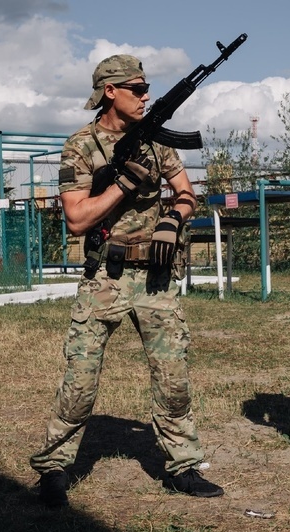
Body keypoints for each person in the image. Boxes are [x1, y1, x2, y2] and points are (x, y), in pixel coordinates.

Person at [29, 54, 223, 506]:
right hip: (106, 278)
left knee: (172, 377)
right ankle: (54, 468)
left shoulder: (157, 142)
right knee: (80, 380)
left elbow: (187, 192)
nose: (145, 96)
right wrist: (121, 185)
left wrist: (175, 218)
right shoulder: (80, 146)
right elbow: (76, 219)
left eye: (146, 87)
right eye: (136, 89)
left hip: (156, 277)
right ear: (110, 91)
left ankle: (183, 466)